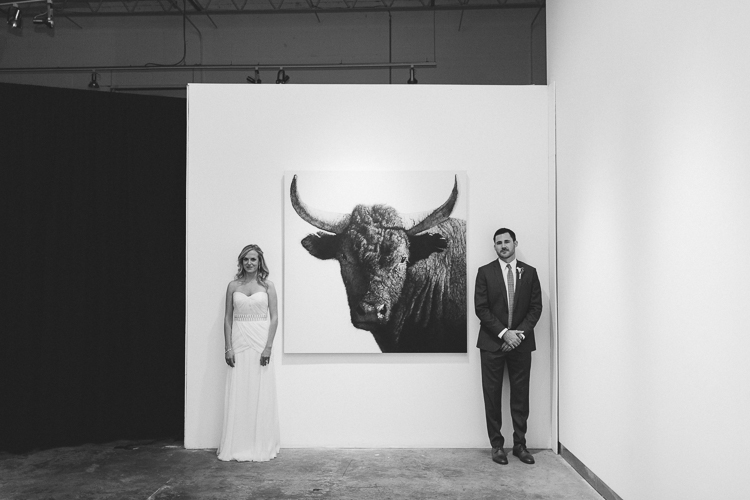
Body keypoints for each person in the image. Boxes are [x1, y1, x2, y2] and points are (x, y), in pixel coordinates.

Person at [474, 228, 542, 465]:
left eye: (506, 241)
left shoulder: (530, 273)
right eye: (498, 243)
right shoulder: (484, 273)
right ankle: (497, 446)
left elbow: (536, 309)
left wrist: (517, 336)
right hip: (492, 344)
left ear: (515, 243)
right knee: (492, 396)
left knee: (520, 396)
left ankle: (520, 446)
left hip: (521, 346)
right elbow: (481, 309)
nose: (503, 246)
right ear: (494, 247)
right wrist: (504, 334)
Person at [217, 244, 280, 462]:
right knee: (239, 388)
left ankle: (260, 444)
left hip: (260, 339)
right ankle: (238, 444)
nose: (249, 263)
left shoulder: (268, 286)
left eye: (253, 259)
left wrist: (268, 346)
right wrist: (228, 347)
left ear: (259, 261)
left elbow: (274, 318)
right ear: (241, 262)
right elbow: (227, 318)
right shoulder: (233, 285)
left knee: (260, 388)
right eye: (245, 260)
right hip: (239, 340)